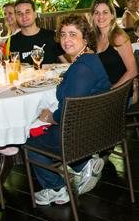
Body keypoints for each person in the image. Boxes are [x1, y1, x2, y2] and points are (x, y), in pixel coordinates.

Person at [25, 14, 111, 205]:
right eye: (63, 34)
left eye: (73, 34)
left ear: (85, 38)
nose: (66, 40)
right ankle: (82, 164)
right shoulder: (89, 60)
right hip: (96, 125)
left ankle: (57, 187)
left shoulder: (82, 69)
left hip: (81, 133)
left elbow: (69, 111)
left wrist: (50, 118)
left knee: (30, 140)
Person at [91, 0, 137, 87]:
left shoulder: (119, 38)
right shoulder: (94, 37)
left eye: (105, 12)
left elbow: (133, 71)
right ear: (92, 16)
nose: (100, 16)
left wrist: (112, 90)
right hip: (101, 87)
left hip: (119, 91)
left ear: (112, 15)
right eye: (96, 13)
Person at [9, 0, 64, 64]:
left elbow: (65, 63)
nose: (24, 16)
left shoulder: (51, 35)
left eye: (27, 12)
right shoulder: (14, 40)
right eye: (19, 13)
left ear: (35, 14)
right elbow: (14, 67)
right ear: (16, 17)